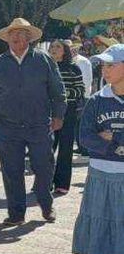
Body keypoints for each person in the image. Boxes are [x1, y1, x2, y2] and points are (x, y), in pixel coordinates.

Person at [0, 18, 66, 227]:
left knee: (45, 168)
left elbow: (57, 90)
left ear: (29, 37)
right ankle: (17, 213)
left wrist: (58, 116)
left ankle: (46, 204)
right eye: (13, 34)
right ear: (7, 38)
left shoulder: (44, 60)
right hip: (7, 128)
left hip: (39, 125)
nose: (17, 37)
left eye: (22, 33)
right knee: (12, 172)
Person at [72, 44, 124, 254]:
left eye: (111, 65)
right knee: (104, 221)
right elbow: (84, 138)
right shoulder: (97, 100)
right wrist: (114, 143)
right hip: (101, 171)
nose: (105, 69)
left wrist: (107, 137)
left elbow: (99, 138)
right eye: (104, 65)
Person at [47, 40, 85, 196]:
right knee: (46, 148)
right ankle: (45, 181)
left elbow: (80, 90)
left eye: (58, 47)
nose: (54, 49)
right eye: (52, 47)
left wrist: (63, 95)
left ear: (65, 51)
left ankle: (62, 184)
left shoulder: (73, 68)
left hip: (68, 111)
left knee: (66, 147)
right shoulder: (45, 67)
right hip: (48, 112)